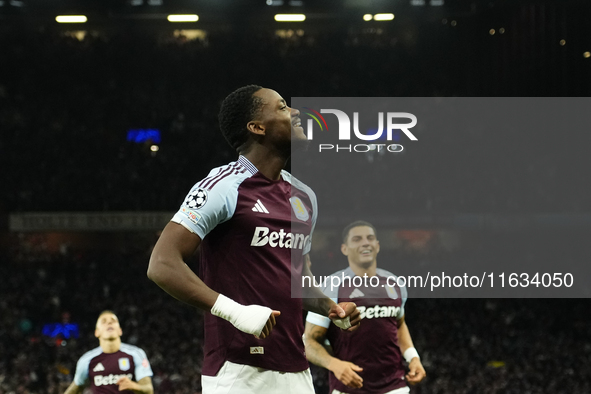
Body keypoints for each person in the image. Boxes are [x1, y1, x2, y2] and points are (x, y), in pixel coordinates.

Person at [147, 84, 361, 394]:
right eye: (282, 107)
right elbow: (162, 264)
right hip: (238, 370)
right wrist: (235, 311)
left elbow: (295, 278)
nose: (296, 112)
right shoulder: (223, 186)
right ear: (257, 127)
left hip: (296, 369)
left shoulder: (305, 197)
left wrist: (329, 306)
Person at [304, 221, 426, 394]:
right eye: (357, 239)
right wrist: (334, 365)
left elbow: (399, 325)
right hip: (349, 388)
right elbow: (308, 341)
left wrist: (413, 357)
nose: (365, 242)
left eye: (370, 238)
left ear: (377, 246)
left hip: (394, 386)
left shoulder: (395, 283)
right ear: (344, 249)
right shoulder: (332, 285)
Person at [64, 310, 153, 394]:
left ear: (120, 331)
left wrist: (135, 386)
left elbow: (149, 390)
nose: (109, 323)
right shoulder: (86, 360)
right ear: (97, 332)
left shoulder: (136, 354)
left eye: (113, 321)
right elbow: (75, 388)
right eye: (104, 321)